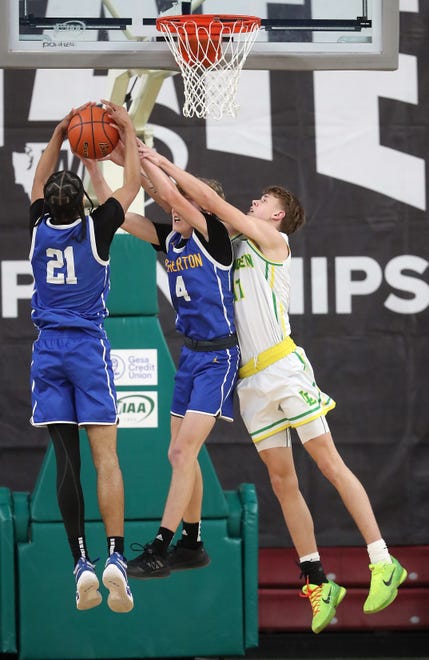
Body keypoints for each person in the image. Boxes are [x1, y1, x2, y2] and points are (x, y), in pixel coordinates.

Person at [137, 146, 408, 635]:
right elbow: (182, 207)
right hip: (250, 380)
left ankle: (382, 558)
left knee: (328, 462)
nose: (254, 203)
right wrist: (139, 164)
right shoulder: (231, 244)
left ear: (276, 213)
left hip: (284, 367)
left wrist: (162, 159)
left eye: (262, 200)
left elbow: (209, 203)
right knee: (283, 482)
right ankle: (317, 580)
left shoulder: (272, 240)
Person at [83, 145, 239, 580]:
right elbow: (119, 218)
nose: (174, 209)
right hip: (190, 356)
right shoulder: (170, 239)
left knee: (180, 451)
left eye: (185, 204)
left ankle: (159, 546)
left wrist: (140, 157)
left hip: (219, 357)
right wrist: (98, 172)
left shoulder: (216, 241)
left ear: (202, 209)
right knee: (182, 456)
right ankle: (193, 542)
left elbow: (173, 197)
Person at [29, 99, 140, 613]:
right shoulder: (97, 229)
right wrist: (127, 129)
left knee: (66, 463)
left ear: (48, 206)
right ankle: (117, 557)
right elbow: (133, 185)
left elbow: (38, 182)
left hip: (47, 351)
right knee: (106, 458)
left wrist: (58, 136)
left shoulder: (37, 229)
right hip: (86, 349)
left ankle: (81, 563)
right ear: (82, 206)